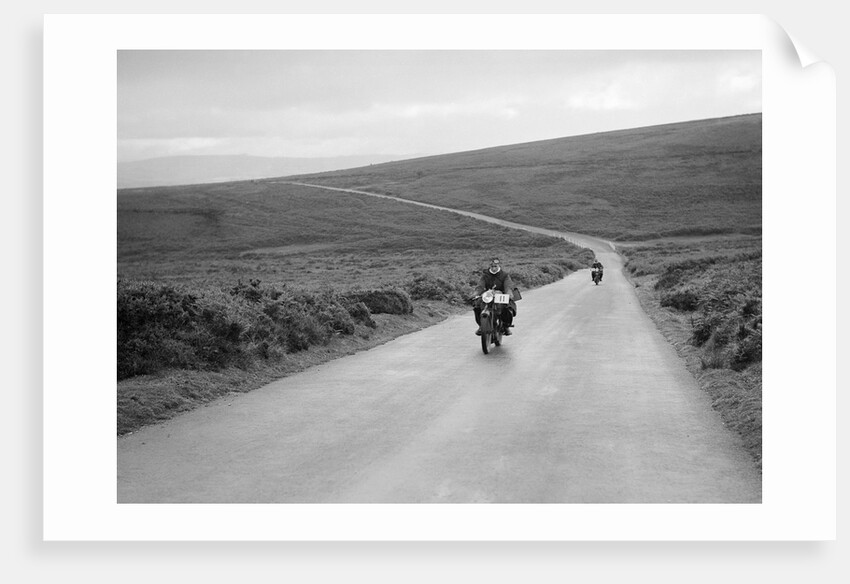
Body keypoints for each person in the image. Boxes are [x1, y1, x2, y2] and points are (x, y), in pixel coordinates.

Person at [473, 257, 517, 335]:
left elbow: (508, 286)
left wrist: (509, 294)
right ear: (490, 266)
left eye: (495, 266)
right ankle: (481, 325)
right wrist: (475, 294)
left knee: (507, 307)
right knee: (477, 306)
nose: (493, 268)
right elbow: (480, 286)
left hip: (501, 295)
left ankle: (505, 326)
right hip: (488, 295)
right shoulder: (485, 275)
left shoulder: (504, 275)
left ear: (498, 266)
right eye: (492, 266)